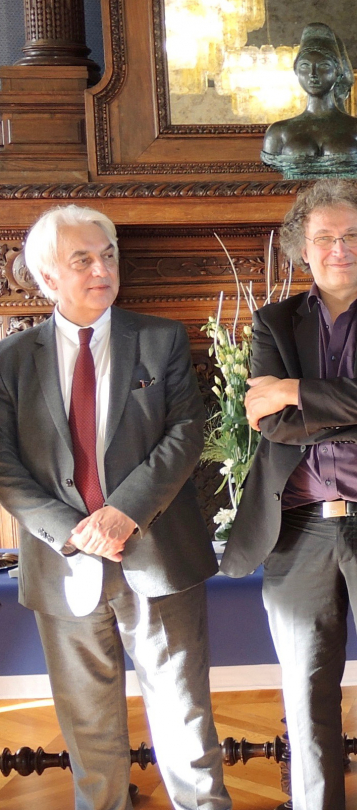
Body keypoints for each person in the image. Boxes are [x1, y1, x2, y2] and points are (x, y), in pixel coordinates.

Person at [220, 179, 357, 810]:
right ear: (302, 248)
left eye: (351, 235)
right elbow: (271, 424)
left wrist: (294, 391)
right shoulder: (274, 321)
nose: (338, 248)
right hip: (297, 530)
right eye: (323, 238)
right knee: (306, 687)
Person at [0, 205, 230, 810]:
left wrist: (124, 511)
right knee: (88, 729)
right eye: (83, 260)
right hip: (62, 564)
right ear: (48, 277)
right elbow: (3, 465)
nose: (102, 269)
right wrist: (73, 532)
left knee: (185, 717)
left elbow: (185, 432)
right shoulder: (13, 359)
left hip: (158, 557)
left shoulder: (160, 339)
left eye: (109, 255)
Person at [261, 23, 357, 179]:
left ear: (338, 73)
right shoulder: (277, 132)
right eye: (305, 66)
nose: (312, 74)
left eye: (323, 66)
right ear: (296, 72)